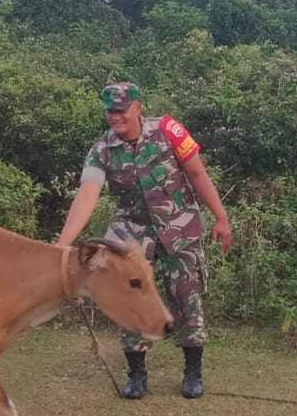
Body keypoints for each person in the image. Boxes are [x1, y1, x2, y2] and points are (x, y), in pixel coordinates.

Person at [57, 82, 233, 400]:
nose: (115, 117)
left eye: (121, 110)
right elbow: (87, 194)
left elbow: (196, 174)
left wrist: (220, 217)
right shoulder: (102, 151)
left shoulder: (168, 131)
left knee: (186, 297)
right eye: (110, 111)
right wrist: (62, 245)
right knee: (130, 298)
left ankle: (193, 372)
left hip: (180, 228)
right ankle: (137, 374)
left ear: (137, 107)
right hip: (132, 235)